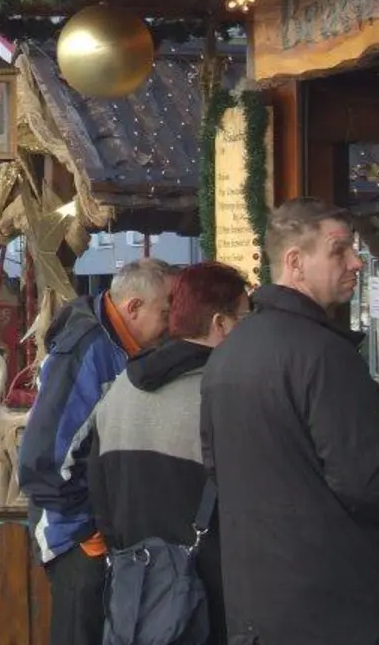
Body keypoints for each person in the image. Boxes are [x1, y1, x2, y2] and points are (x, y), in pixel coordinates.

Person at [201, 198, 379, 645]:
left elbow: (218, 470)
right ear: (295, 262)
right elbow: (366, 482)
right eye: (339, 250)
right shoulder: (324, 355)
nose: (355, 262)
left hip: (258, 606)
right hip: (334, 609)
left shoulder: (228, 354)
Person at [88, 261, 250, 645]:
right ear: (221, 324)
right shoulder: (226, 398)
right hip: (210, 600)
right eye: (245, 317)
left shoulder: (119, 390)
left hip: (136, 592)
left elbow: (93, 484)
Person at [17, 258, 177, 645]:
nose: (171, 323)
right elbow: (42, 460)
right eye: (165, 311)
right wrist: (86, 531)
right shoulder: (86, 349)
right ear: (134, 307)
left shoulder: (121, 344)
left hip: (103, 531)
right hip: (75, 536)